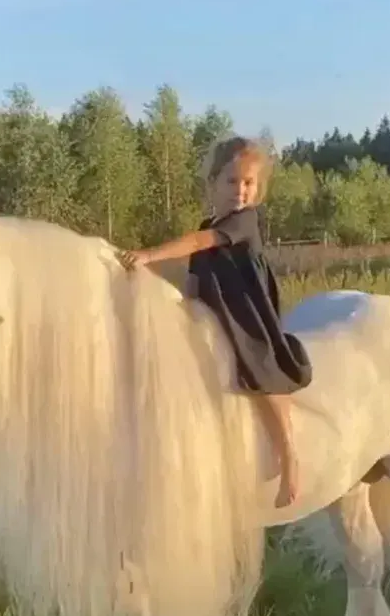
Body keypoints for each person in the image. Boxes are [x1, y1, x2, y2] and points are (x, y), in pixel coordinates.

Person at [118, 134, 313, 508]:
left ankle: (289, 455)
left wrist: (148, 255)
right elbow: (195, 275)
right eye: (232, 181)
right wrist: (181, 309)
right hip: (212, 308)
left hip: (245, 309)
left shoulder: (244, 222)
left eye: (248, 183)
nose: (240, 191)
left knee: (261, 369)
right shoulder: (210, 220)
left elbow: (196, 244)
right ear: (213, 183)